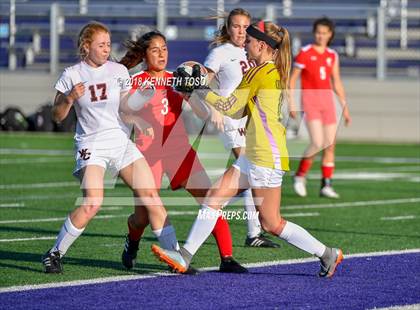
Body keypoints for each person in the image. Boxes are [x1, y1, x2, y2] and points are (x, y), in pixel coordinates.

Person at [151, 21, 343, 278]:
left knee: (271, 223)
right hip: (255, 153)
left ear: (262, 45)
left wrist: (199, 88)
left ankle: (327, 253)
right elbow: (239, 109)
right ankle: (184, 256)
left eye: (250, 42)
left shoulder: (261, 73)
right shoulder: (261, 71)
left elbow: (230, 107)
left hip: (265, 157)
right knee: (213, 198)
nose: (245, 45)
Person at [42, 22, 179, 273]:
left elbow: (125, 108)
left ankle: (176, 257)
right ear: (86, 47)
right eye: (101, 45)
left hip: (120, 143)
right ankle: (54, 253)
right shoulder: (72, 74)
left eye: (108, 44)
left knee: (151, 197)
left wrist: (138, 119)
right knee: (93, 201)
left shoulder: (118, 70)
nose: (107, 49)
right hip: (92, 145)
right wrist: (70, 98)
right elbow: (57, 115)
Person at [118, 31, 247, 273]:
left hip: (179, 152)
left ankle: (227, 258)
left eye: (164, 48)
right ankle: (132, 241)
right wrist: (136, 119)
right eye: (155, 49)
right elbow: (122, 110)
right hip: (147, 155)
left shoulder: (177, 78)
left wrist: (204, 104)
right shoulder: (135, 80)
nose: (161, 54)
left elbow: (200, 111)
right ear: (144, 54)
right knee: (143, 217)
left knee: (211, 199)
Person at [204, 8, 279, 248]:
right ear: (228, 28)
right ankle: (252, 232)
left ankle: (216, 209)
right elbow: (203, 81)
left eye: (245, 26)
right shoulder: (221, 52)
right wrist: (213, 108)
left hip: (248, 118)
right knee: (248, 169)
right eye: (236, 26)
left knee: (246, 173)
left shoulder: (252, 50)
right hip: (231, 117)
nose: (241, 30)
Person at [290, 17, 351, 199]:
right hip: (311, 102)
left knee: (330, 145)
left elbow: (337, 82)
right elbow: (292, 80)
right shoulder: (305, 53)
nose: (321, 36)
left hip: (328, 103)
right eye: (318, 32)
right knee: (317, 143)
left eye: (324, 33)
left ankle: (326, 185)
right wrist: (292, 103)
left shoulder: (332, 55)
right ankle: (300, 176)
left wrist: (345, 107)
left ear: (330, 34)